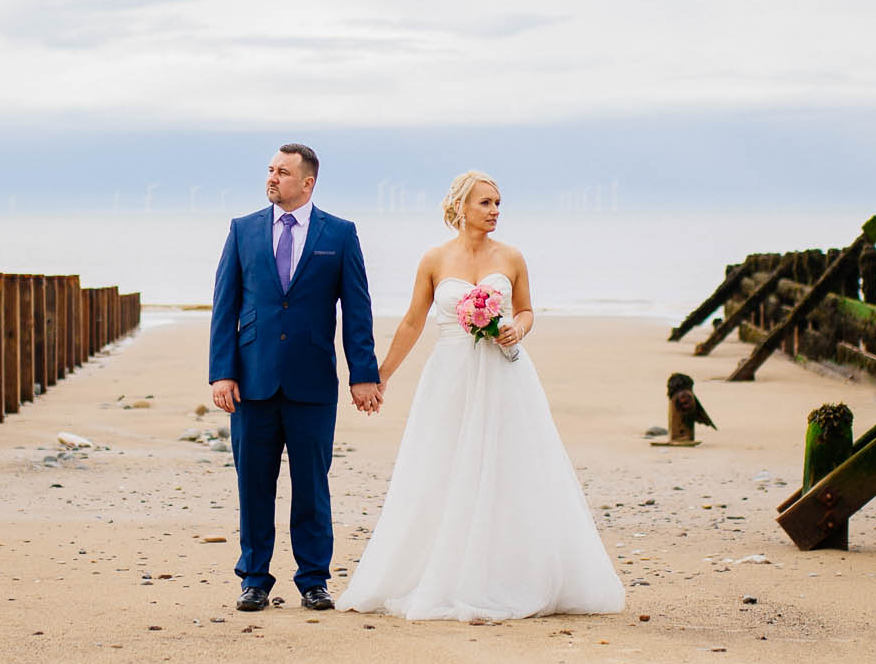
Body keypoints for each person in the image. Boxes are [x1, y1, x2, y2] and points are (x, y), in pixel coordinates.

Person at [337, 170, 624, 621]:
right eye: (485, 203)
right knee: (443, 466)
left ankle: (507, 575)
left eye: (497, 204)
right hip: (450, 377)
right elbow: (413, 322)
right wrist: (381, 376)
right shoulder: (434, 259)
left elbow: (526, 311)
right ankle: (443, 573)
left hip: (504, 375)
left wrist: (517, 329)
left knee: (508, 468)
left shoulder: (511, 257)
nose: (494, 212)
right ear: (461, 208)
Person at [209, 144, 381, 613]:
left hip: (312, 381)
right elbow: (225, 305)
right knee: (254, 485)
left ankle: (313, 580)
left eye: (282, 172)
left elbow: (358, 309)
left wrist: (363, 374)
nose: (272, 178)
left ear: (308, 182)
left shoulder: (339, 234)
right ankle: (254, 579)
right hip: (253, 380)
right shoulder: (243, 230)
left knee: (312, 487)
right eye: (270, 169)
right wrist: (222, 372)